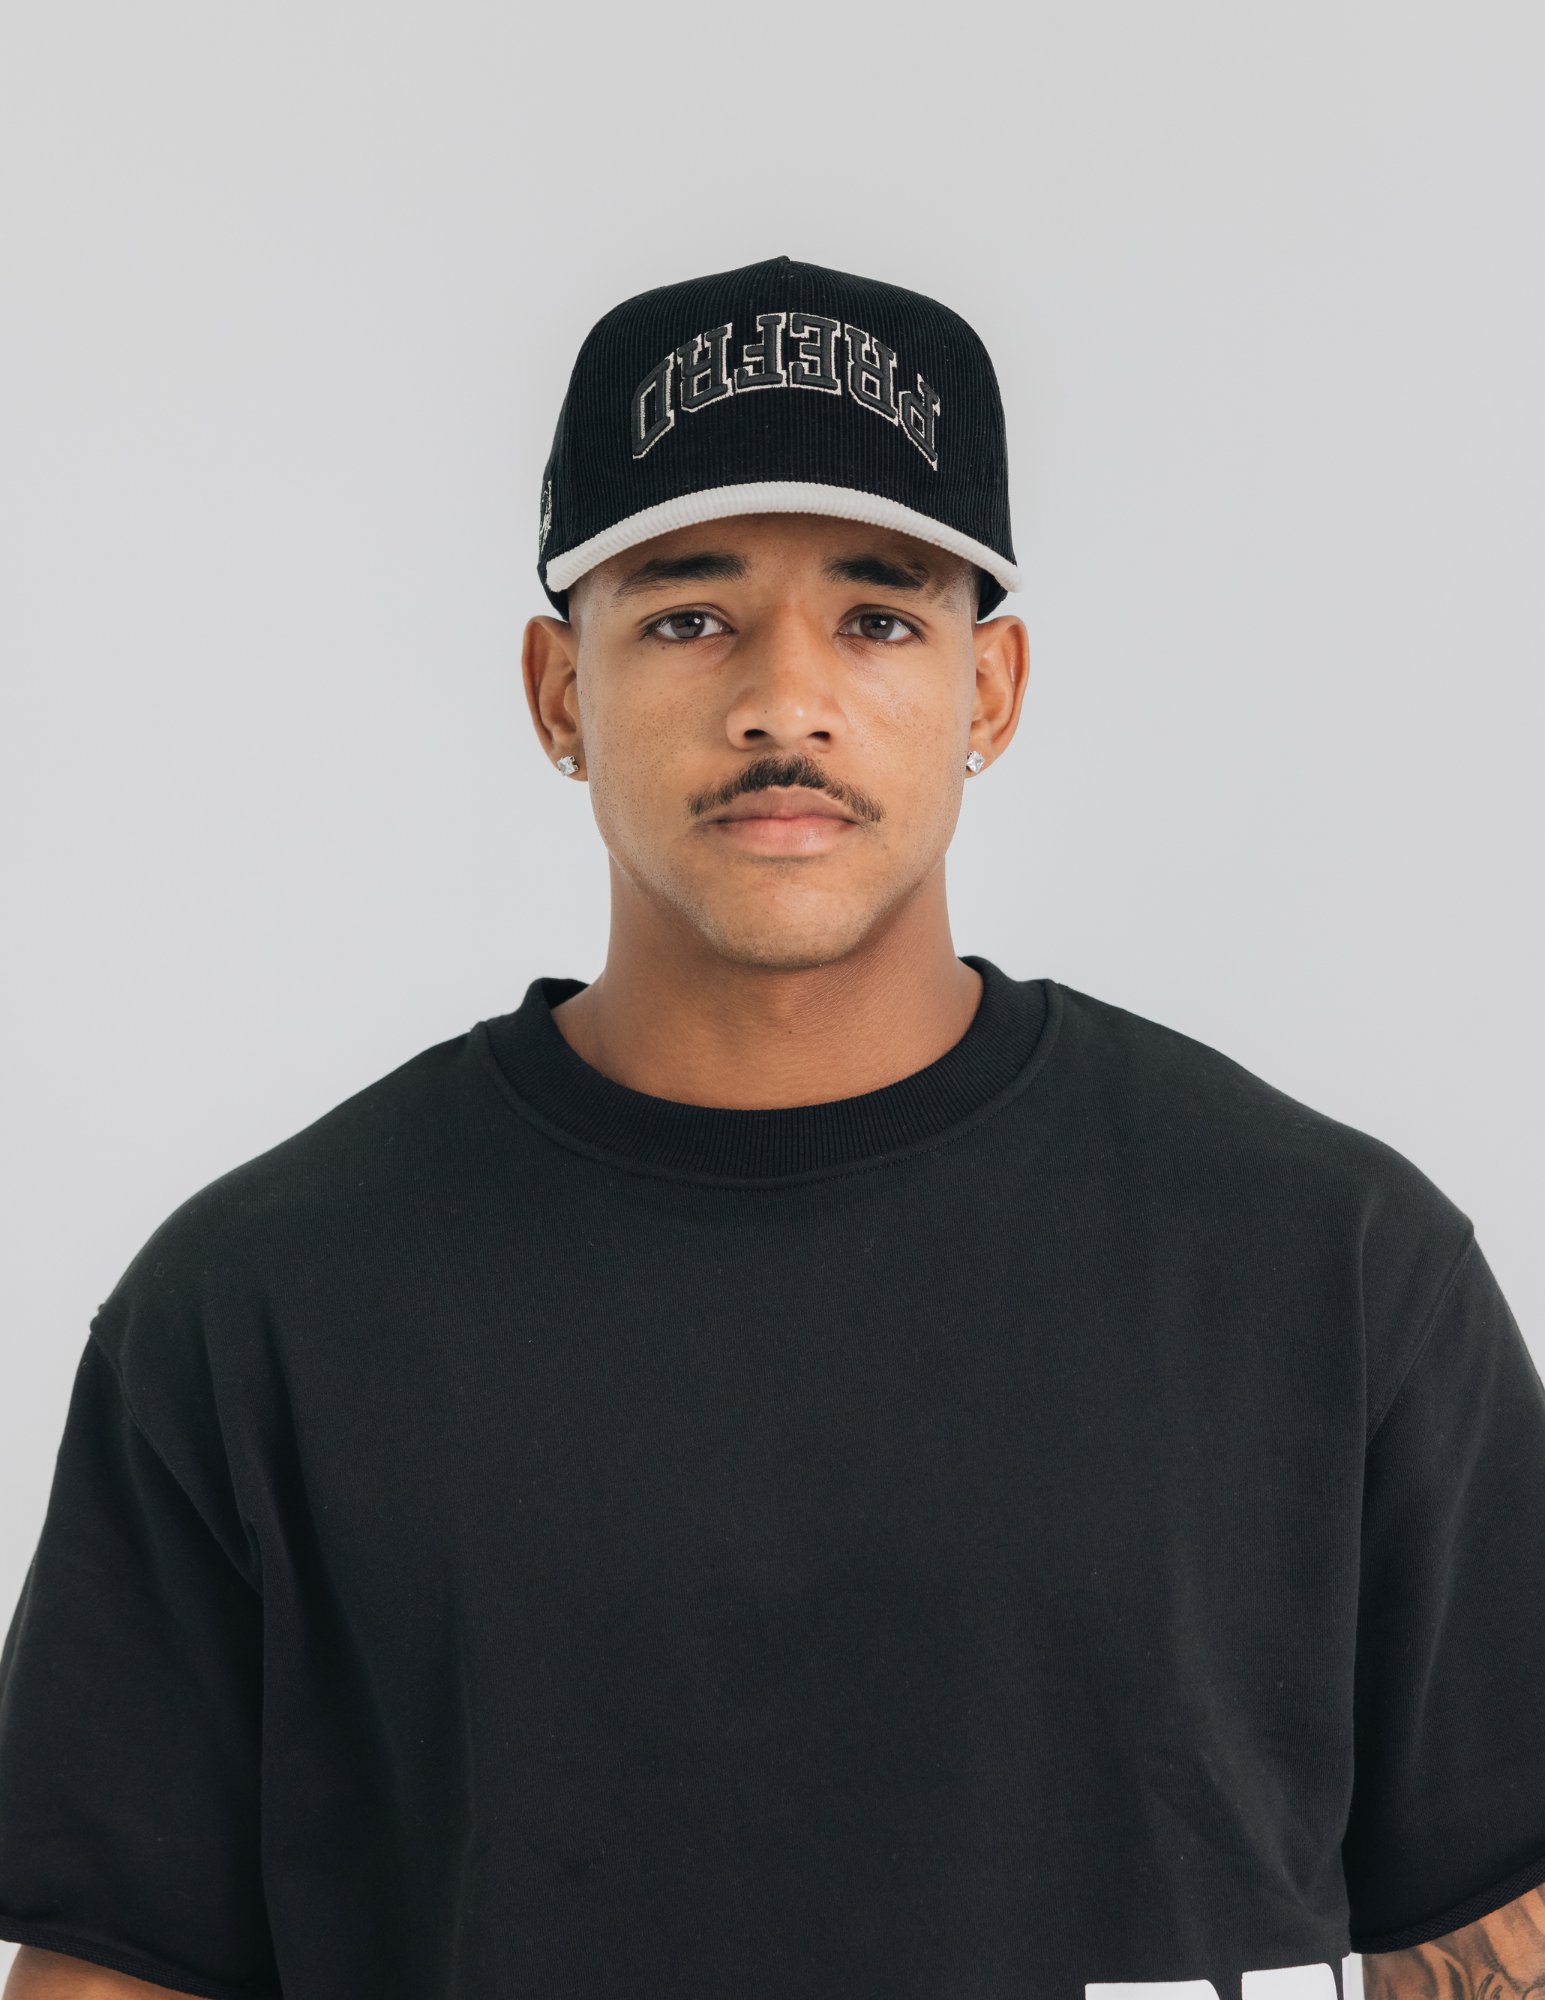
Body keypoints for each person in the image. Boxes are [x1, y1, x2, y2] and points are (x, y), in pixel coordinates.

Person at [1, 256, 1542, 2000]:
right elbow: (116, 1966)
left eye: (880, 615)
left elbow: (1498, 1927)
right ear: (559, 693)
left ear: (991, 689)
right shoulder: (259, 1312)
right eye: (687, 614)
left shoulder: (1331, 1272)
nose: (784, 700)